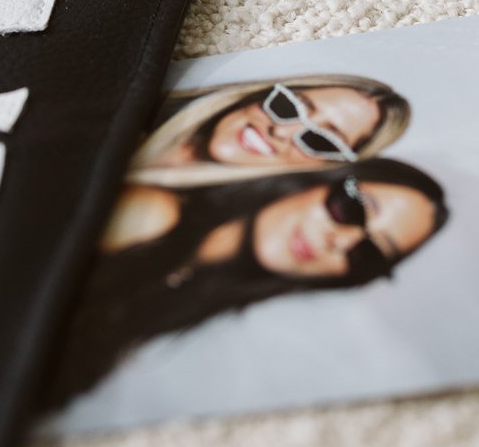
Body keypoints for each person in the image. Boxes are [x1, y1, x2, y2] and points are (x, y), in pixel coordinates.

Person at [44, 158, 449, 408]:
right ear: (323, 177)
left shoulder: (202, 313)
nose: (338, 241)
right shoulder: (155, 213)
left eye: (370, 255)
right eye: (352, 209)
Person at [129, 75, 411, 184]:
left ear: (325, 168)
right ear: (261, 95)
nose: (282, 131)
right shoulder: (133, 102)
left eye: (320, 140)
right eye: (288, 106)